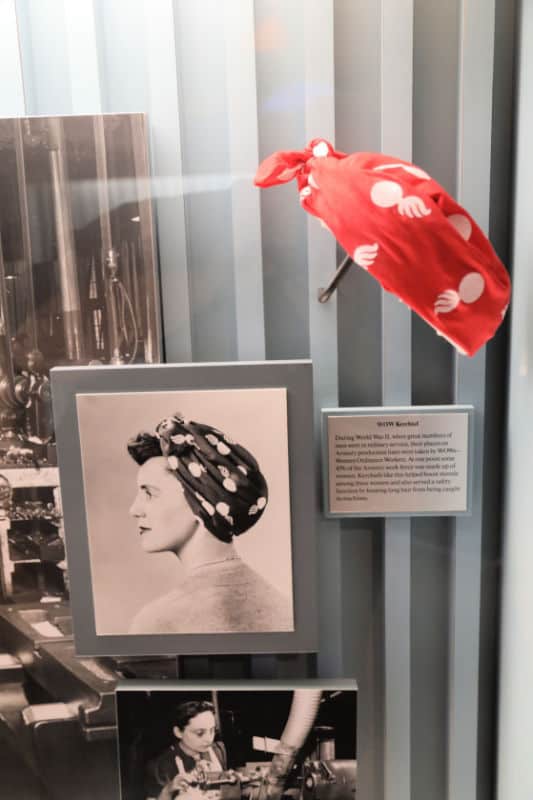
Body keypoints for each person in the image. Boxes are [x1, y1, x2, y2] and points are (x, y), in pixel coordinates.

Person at [127, 414, 292, 634]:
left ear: (200, 503)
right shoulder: (281, 605)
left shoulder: (157, 622)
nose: (134, 510)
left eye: (150, 494)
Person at [145, 700, 227, 800]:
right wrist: (168, 790)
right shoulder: (159, 766)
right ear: (178, 732)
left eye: (212, 730)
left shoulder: (218, 750)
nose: (209, 738)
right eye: (200, 733)